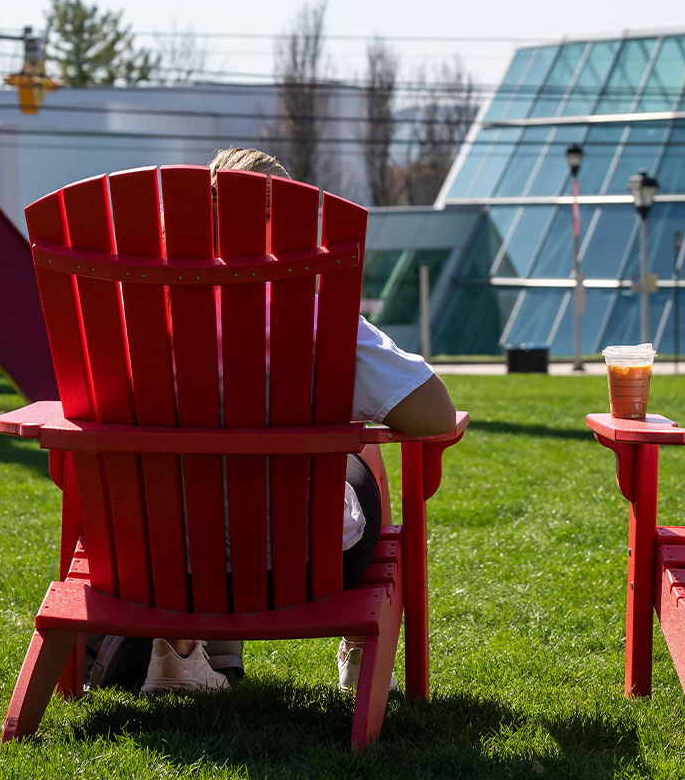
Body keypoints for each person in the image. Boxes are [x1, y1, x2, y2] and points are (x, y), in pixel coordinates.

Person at [116, 147, 458, 694]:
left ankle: (178, 650)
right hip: (303, 564)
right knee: (362, 449)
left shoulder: (139, 312)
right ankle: (357, 652)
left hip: (159, 563)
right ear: (283, 223)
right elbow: (434, 415)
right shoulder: (320, 314)